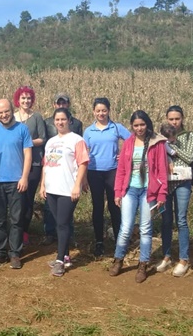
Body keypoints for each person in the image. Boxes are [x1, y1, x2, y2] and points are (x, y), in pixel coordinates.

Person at [109, 111, 168, 283]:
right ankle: (118, 259)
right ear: (132, 127)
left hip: (148, 191)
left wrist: (162, 194)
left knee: (145, 228)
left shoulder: (157, 144)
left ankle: (143, 264)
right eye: (136, 125)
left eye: (142, 124)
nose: (139, 128)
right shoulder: (128, 143)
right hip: (130, 189)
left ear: (147, 124)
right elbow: (121, 170)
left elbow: (162, 171)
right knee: (126, 227)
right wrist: (118, 192)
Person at [0, 99, 33, 269]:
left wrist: (25, 177)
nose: (4, 115)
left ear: (12, 110)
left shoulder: (22, 129)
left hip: (16, 181)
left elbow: (28, 154)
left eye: (6, 111)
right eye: (0, 113)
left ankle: (15, 253)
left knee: (16, 219)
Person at [39, 108, 89, 277]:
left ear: (69, 120)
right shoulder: (50, 142)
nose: (60, 122)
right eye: (57, 120)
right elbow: (46, 164)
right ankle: (66, 256)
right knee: (61, 223)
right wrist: (43, 185)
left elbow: (83, 163)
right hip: (52, 188)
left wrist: (77, 185)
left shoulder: (77, 140)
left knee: (62, 223)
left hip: (68, 189)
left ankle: (60, 261)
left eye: (63, 119)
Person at [83, 97, 131, 257]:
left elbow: (132, 140)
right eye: (98, 110)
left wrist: (123, 155)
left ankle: (120, 240)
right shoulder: (89, 131)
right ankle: (99, 241)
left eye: (104, 110)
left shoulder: (116, 128)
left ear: (109, 110)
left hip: (113, 171)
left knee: (114, 205)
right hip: (94, 172)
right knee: (97, 207)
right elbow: (83, 151)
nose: (101, 113)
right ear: (93, 112)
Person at [158, 106, 193, 277]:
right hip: (165, 182)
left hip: (182, 182)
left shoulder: (190, 136)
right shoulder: (160, 136)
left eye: (177, 118)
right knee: (166, 220)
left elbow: (189, 157)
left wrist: (171, 146)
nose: (174, 122)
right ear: (167, 119)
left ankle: (183, 259)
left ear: (182, 118)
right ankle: (166, 256)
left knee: (181, 220)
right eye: (171, 119)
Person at [41, 93, 83, 246]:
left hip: (68, 175)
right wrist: (43, 182)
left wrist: (80, 180)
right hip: (52, 172)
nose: (61, 105)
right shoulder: (46, 123)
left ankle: (66, 238)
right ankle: (50, 233)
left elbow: (80, 157)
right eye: (59, 103)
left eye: (64, 103)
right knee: (50, 209)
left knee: (66, 214)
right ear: (54, 105)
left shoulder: (77, 125)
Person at [13, 86, 47, 246]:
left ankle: (24, 231)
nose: (26, 101)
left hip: (33, 163)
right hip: (15, 163)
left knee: (27, 199)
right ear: (18, 100)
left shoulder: (37, 117)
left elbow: (43, 138)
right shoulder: (12, 117)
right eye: (23, 98)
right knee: (16, 199)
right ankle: (15, 229)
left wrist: (27, 143)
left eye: (28, 98)